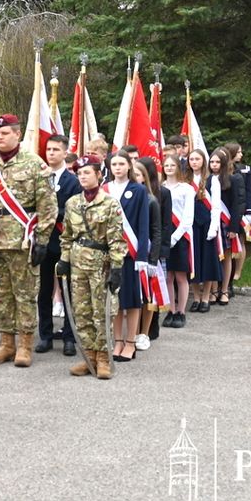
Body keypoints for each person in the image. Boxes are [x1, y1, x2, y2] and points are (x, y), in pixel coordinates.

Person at [0, 114, 58, 368]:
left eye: (5, 133)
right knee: (0, 294)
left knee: (25, 295)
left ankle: (25, 345)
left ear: (17, 134)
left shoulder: (34, 164)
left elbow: (47, 205)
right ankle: (6, 344)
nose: (0, 138)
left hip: (22, 239)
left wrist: (43, 240)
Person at [57, 155, 126, 380]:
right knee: (82, 312)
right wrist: (65, 259)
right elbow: (67, 236)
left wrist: (116, 268)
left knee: (102, 312)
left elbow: (117, 240)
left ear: (99, 174)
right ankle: (88, 357)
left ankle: (104, 358)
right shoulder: (72, 203)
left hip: (101, 266)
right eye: (79, 173)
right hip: (77, 265)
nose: (82, 176)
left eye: (87, 172)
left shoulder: (110, 204)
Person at [36, 135, 81, 356]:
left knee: (68, 292)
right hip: (43, 243)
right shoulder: (39, 177)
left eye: (55, 150)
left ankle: (69, 337)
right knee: (43, 290)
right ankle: (45, 335)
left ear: (65, 153)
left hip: (65, 244)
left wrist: (51, 214)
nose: (51, 153)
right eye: (48, 149)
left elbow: (74, 210)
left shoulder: (74, 181)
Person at [102, 152, 149, 362]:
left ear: (129, 166)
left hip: (130, 254)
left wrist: (141, 256)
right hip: (109, 253)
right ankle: (117, 341)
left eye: (122, 164)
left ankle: (130, 342)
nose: (118, 168)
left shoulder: (138, 190)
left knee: (131, 300)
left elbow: (143, 223)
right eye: (114, 164)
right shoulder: (104, 189)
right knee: (115, 300)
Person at [133, 158, 167, 350]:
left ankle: (144, 333)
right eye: (133, 174)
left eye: (138, 174)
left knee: (148, 297)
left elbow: (156, 231)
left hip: (145, 254)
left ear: (144, 178)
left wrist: (153, 260)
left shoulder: (151, 200)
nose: (134, 177)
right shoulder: (122, 197)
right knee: (131, 296)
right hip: (128, 253)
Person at [161, 154, 194, 328]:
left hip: (181, 236)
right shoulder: (160, 188)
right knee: (167, 276)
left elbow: (188, 217)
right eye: (166, 165)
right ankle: (170, 310)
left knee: (180, 276)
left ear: (178, 168)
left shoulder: (187, 189)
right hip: (165, 234)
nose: (169, 168)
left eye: (172, 165)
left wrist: (174, 237)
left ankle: (181, 311)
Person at [188, 149, 221, 311]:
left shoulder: (212, 180)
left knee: (207, 261)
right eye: (191, 159)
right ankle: (196, 297)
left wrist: (214, 227)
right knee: (193, 261)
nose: (194, 162)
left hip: (207, 224)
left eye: (197, 159)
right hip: (191, 225)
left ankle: (206, 297)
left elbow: (216, 206)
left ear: (203, 161)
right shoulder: (185, 180)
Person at [211, 147, 244, 305]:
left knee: (227, 257)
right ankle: (214, 289)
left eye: (218, 162)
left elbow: (236, 205)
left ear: (224, 163)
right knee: (214, 257)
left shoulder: (233, 179)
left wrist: (233, 228)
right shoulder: (207, 179)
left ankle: (225, 289)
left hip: (226, 223)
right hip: (212, 224)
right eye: (212, 162)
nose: (214, 165)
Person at [224, 142, 251, 290]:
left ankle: (238, 271)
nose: (241, 155)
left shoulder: (245, 170)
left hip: (242, 211)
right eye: (239, 152)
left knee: (240, 241)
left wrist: (250, 212)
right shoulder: (222, 169)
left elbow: (248, 192)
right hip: (226, 210)